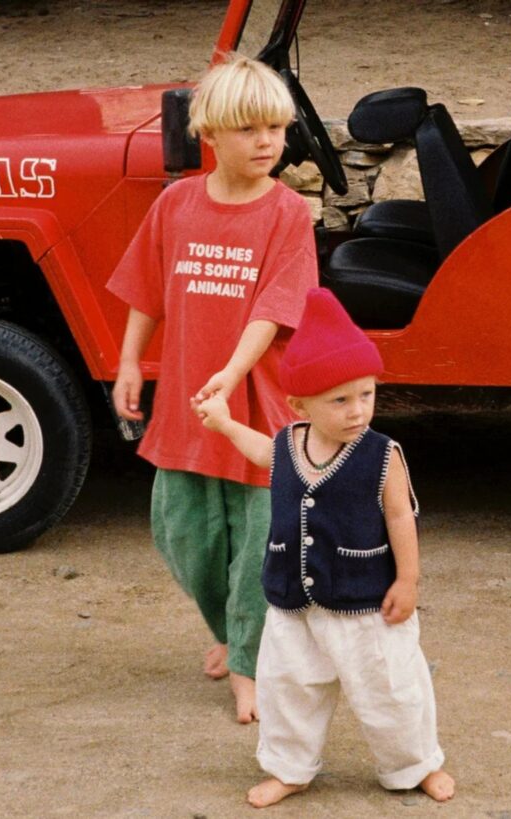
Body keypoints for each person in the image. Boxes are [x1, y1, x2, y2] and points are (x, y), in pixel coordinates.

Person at [107, 54, 318, 722]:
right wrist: (129, 361)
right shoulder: (177, 204)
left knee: (260, 539)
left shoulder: (287, 213)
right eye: (251, 129)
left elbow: (275, 308)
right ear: (212, 135)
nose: (267, 143)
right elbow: (148, 287)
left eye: (277, 129)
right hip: (187, 403)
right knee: (186, 533)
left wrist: (231, 370)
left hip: (255, 403)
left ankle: (250, 665)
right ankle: (229, 629)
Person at [195, 288, 455, 808]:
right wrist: (223, 423)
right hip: (293, 603)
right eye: (339, 400)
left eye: (366, 394)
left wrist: (408, 580)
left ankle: (415, 763)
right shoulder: (290, 444)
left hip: (367, 604)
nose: (357, 411)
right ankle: (289, 767)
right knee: (288, 689)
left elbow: (402, 516)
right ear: (299, 404)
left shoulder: (383, 455)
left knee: (392, 691)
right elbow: (261, 452)